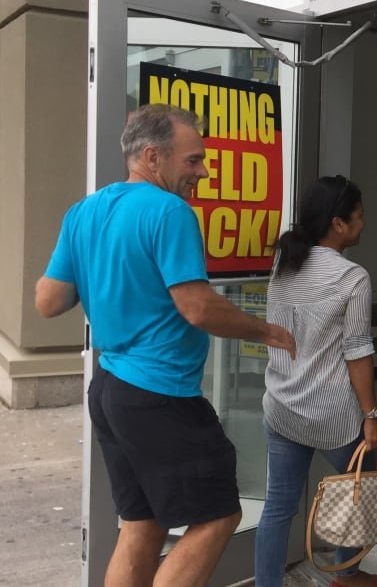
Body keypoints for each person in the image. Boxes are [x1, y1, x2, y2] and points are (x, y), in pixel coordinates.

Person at [34, 103, 297, 587]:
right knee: (217, 517)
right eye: (192, 160)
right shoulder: (170, 211)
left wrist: (103, 272)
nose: (202, 171)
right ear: (152, 157)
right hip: (161, 395)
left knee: (142, 523)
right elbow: (197, 307)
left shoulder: (84, 211)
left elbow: (48, 301)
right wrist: (267, 332)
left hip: (110, 390)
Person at [253, 175, 377, 587]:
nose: (364, 223)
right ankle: (346, 575)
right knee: (361, 484)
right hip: (333, 415)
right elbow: (358, 352)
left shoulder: (285, 264)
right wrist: (371, 416)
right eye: (359, 216)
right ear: (338, 224)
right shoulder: (353, 277)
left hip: (281, 406)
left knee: (278, 506)